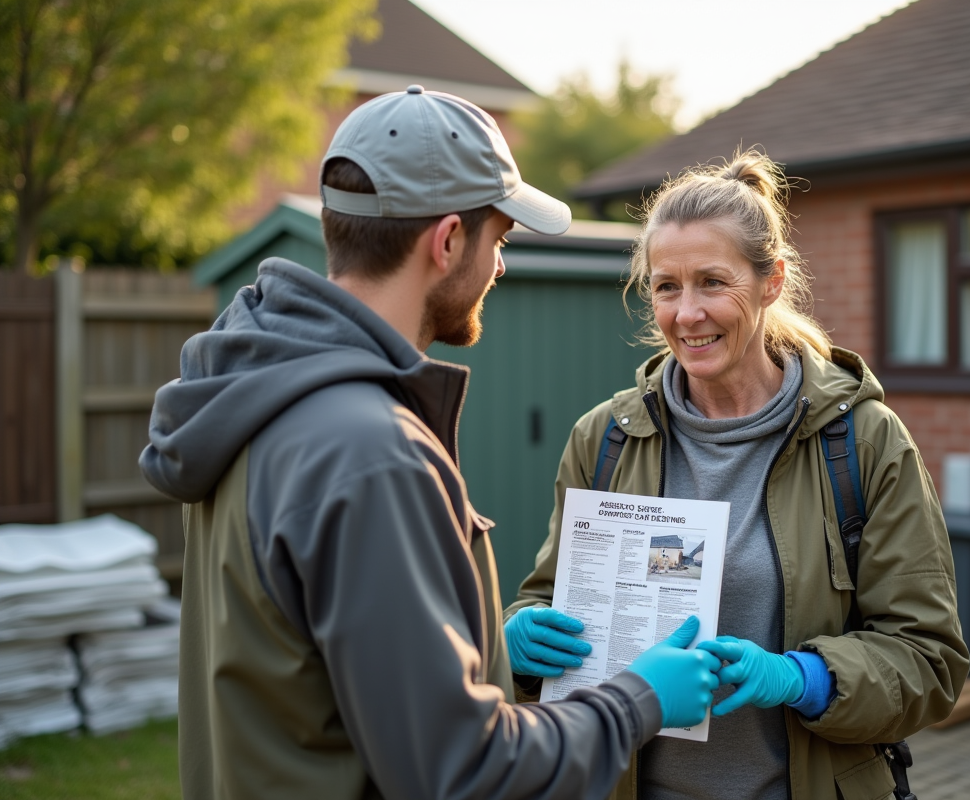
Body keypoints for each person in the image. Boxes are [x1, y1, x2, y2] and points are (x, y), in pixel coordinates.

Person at [139, 87, 722, 800]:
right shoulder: (370, 453)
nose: (499, 267)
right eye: (499, 239)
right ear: (447, 242)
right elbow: (464, 772)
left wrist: (482, 655)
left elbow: (309, 671)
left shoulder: (256, 395)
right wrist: (640, 700)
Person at [504, 152, 970, 800]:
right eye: (666, 286)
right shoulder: (605, 439)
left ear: (771, 280)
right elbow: (551, 600)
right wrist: (518, 639)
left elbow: (929, 661)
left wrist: (805, 678)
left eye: (712, 283)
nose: (686, 314)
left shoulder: (862, 442)